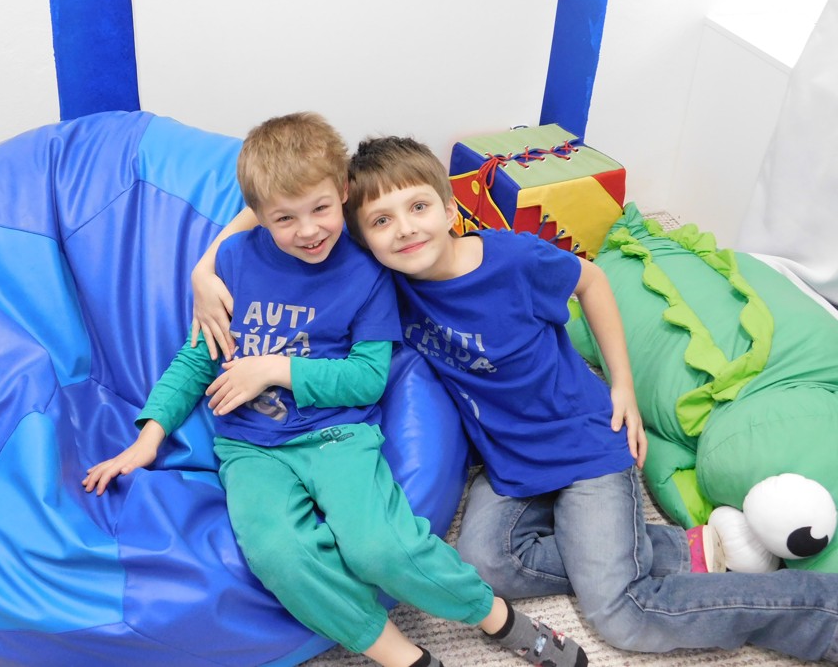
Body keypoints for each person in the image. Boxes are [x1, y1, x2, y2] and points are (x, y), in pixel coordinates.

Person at [192, 132, 838, 664]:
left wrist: (622, 385)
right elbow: (290, 201)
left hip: (583, 447)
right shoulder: (382, 282)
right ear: (361, 232)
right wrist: (205, 266)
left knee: (623, 613)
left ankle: (822, 616)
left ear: (451, 208)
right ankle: (680, 549)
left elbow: (592, 283)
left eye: (420, 208)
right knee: (484, 563)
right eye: (382, 221)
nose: (405, 230)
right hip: (507, 463)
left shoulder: (513, 261)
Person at [84, 113, 589, 667]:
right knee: (278, 554)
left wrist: (275, 369)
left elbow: (368, 378)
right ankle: (406, 658)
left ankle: (498, 619)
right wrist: (149, 437)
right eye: (285, 218)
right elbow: (196, 358)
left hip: (338, 435)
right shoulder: (233, 260)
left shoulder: (366, 272)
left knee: (379, 546)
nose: (308, 231)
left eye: (321, 210)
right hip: (249, 449)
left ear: (342, 194)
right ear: (259, 215)